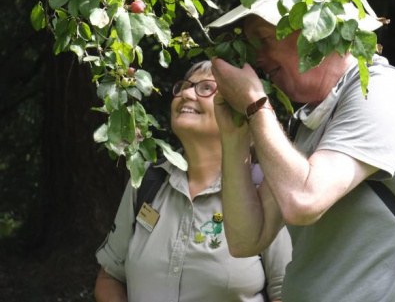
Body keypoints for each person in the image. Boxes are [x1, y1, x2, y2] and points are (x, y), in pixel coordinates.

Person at [208, 0, 395, 302]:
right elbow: (247, 238)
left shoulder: (383, 94)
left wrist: (255, 105)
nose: (256, 59)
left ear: (317, 27)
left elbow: (304, 200)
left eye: (263, 39)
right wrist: (235, 138)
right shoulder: (314, 119)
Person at [94, 60, 292, 302]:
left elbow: (289, 292)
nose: (186, 94)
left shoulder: (266, 190)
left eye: (207, 88)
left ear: (239, 112)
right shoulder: (147, 182)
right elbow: (110, 277)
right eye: (184, 87)